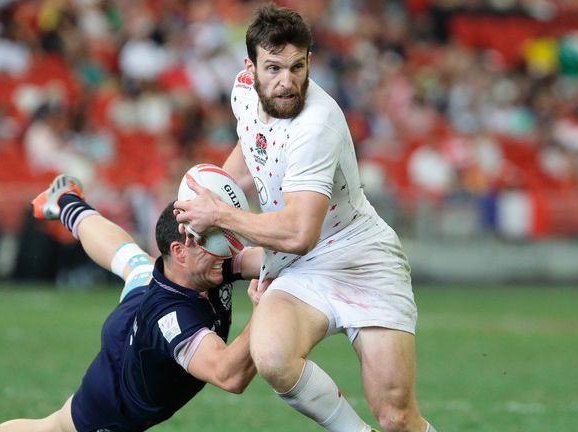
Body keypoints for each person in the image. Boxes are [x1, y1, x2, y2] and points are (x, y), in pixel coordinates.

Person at [175, 4, 437, 432]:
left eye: (297, 67)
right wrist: (213, 194)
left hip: (361, 259)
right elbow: (249, 152)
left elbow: (299, 233)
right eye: (273, 68)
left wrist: (220, 213)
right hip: (301, 264)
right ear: (251, 67)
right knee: (273, 357)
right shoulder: (243, 92)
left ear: (309, 61)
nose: (286, 81)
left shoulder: (317, 124)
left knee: (396, 416)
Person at [0, 175, 263, 432]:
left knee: (134, 262)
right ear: (180, 251)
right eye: (214, 241)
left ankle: (65, 201)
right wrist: (264, 309)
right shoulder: (172, 318)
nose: (226, 250)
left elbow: (270, 259)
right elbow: (229, 375)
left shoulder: (202, 260)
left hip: (143, 300)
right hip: (112, 400)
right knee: (53, 428)